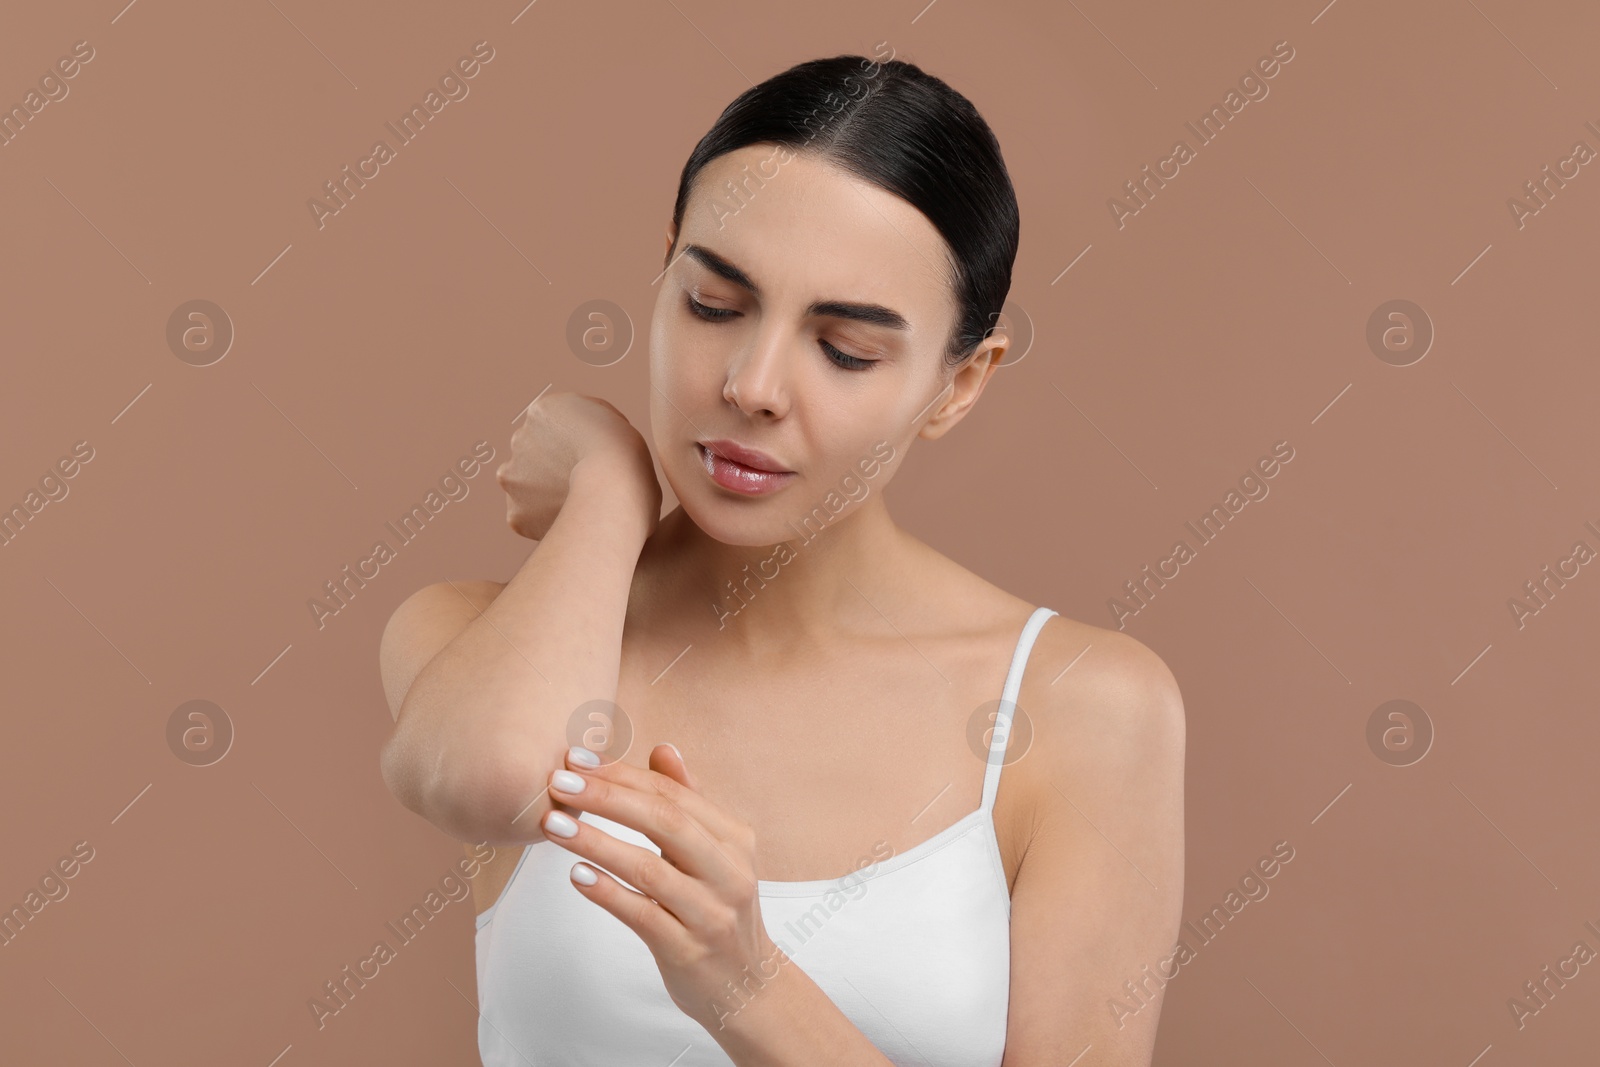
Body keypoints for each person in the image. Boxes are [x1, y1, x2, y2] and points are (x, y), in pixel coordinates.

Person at [379, 50, 1185, 1067]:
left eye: (845, 349)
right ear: (662, 271)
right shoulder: (477, 638)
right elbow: (491, 779)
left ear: (959, 384)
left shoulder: (1084, 705)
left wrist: (747, 986)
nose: (753, 385)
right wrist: (610, 484)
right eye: (712, 304)